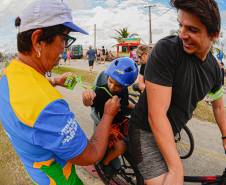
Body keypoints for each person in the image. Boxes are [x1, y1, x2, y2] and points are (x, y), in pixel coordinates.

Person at [0, 1, 120, 185]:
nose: (65, 48)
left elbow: (28, 99)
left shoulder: (9, 75)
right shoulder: (48, 106)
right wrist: (108, 114)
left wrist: (55, 81)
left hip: (37, 171)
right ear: (38, 40)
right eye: (64, 39)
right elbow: (91, 154)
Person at [128, 0, 226, 185]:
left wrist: (225, 136)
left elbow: (219, 107)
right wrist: (176, 168)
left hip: (169, 132)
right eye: (180, 25)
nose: (182, 34)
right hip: (145, 131)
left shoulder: (214, 69)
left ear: (214, 35)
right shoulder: (167, 50)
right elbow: (157, 115)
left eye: (192, 30)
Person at [82, 57, 138, 172]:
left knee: (139, 133)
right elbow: (89, 103)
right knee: (121, 146)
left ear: (126, 85)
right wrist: (86, 98)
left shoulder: (124, 90)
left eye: (118, 85)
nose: (112, 87)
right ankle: (105, 163)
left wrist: (139, 108)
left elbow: (126, 105)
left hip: (121, 121)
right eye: (110, 81)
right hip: (108, 125)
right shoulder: (100, 92)